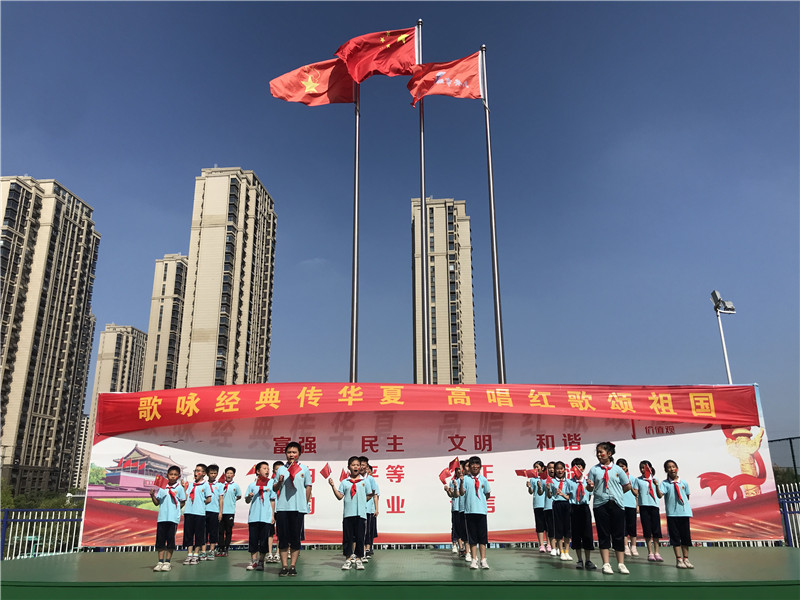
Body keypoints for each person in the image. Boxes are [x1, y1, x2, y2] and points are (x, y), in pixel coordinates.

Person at [585, 442, 632, 575]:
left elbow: (627, 485)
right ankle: (606, 564)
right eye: (598, 452)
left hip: (617, 504)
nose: (599, 454)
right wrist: (590, 486)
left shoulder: (618, 470)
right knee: (603, 534)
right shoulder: (594, 470)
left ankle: (621, 564)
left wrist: (618, 494)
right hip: (600, 505)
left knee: (618, 534)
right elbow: (589, 489)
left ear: (609, 454)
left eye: (601, 452)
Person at [273, 441, 313, 576]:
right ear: (285, 454)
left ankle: (293, 566)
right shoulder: (281, 469)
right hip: (283, 508)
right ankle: (284, 566)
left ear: (299, 454)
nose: (291, 454)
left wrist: (304, 503)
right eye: (289, 452)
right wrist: (279, 482)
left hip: (297, 509)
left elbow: (308, 486)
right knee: (283, 538)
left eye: (294, 452)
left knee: (295, 538)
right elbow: (274, 488)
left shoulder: (304, 469)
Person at [329, 456, 375, 570]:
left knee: (360, 537)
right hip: (348, 514)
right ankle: (348, 559)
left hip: (361, 514)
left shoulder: (364, 481)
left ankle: (359, 559)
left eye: (357, 465)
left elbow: (369, 494)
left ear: (360, 467)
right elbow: (340, 496)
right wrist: (333, 486)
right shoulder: (345, 482)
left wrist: (362, 501)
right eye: (353, 465)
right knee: (348, 538)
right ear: (349, 467)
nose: (356, 467)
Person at [150, 465, 186, 572]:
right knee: (160, 541)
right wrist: (152, 495)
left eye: (175, 475)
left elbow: (183, 501)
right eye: (171, 474)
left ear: (179, 476)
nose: (173, 476)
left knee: (170, 540)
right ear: (167, 475)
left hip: (172, 519)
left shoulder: (179, 488)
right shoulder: (162, 488)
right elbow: (157, 503)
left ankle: (167, 562)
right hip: (162, 518)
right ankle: (160, 562)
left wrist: (176, 510)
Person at [660, 460, 694, 569]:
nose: (671, 469)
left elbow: (686, 497)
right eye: (669, 467)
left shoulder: (684, 483)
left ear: (677, 468)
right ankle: (679, 559)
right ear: (666, 470)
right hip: (672, 515)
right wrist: (655, 485)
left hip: (684, 513)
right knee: (675, 537)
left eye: (673, 466)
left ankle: (686, 559)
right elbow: (660, 495)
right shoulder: (664, 484)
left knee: (685, 537)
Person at [459, 456, 491, 570]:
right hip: (469, 511)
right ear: (469, 466)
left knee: (482, 537)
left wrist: (480, 502)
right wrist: (461, 483)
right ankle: (474, 560)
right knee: (472, 538)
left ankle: (483, 560)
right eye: (472, 464)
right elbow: (461, 493)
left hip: (481, 512)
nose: (475, 466)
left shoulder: (484, 480)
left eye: (477, 464)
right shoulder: (466, 479)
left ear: (480, 466)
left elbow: (487, 494)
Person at [631, 460, 664, 562]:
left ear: (650, 468)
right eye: (641, 468)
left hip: (654, 506)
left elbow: (659, 495)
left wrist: (656, 485)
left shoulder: (655, 479)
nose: (643, 470)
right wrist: (630, 487)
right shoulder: (638, 480)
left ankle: (657, 552)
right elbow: (636, 493)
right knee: (647, 530)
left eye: (645, 467)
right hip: (644, 507)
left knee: (656, 530)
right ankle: (650, 552)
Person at [245, 461, 275, 571]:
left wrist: (272, 515)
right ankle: (254, 561)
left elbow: (272, 500)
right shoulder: (252, 485)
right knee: (253, 540)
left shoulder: (271, 483)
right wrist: (249, 496)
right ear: (257, 471)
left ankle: (261, 561)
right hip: (254, 517)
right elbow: (247, 500)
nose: (267, 470)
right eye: (264, 468)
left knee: (264, 540)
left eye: (268, 468)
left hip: (266, 517)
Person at [568, 458, 596, 570]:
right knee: (576, 534)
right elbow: (567, 495)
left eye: (579, 466)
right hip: (574, 508)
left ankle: (588, 560)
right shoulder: (569, 482)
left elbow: (589, 495)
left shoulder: (588, 481)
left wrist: (589, 486)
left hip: (584, 508)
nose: (577, 469)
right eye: (575, 467)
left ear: (583, 468)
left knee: (587, 534)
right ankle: (579, 560)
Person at [182, 464, 213, 565]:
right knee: (188, 534)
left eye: (198, 471)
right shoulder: (191, 484)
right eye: (195, 470)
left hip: (199, 513)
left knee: (199, 535)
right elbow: (185, 496)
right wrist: (183, 488)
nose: (196, 473)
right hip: (189, 512)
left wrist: (200, 504)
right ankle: (189, 555)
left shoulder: (206, 485)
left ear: (204, 473)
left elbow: (209, 499)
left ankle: (196, 555)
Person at [546, 460, 573, 561]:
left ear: (565, 470)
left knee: (567, 528)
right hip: (557, 505)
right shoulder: (552, 482)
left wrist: (563, 495)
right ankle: (561, 551)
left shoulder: (568, 482)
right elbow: (549, 496)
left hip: (567, 504)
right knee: (558, 528)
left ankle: (567, 551)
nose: (559, 471)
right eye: (557, 469)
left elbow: (570, 496)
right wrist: (548, 489)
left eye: (561, 469)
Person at [616, 458, 639, 556]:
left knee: (632, 527)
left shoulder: (633, 479)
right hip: (620, 505)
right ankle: (625, 547)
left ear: (626, 467)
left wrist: (637, 505)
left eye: (623, 466)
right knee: (623, 527)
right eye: (619, 466)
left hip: (631, 505)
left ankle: (633, 547)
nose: (621, 468)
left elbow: (636, 493)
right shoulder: (616, 478)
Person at [217, 466, 242, 557]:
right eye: (227, 473)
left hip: (230, 511)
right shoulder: (220, 485)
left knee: (228, 531)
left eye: (231, 473)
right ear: (225, 475)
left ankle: (226, 548)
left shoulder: (235, 486)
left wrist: (233, 500)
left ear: (233, 475)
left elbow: (239, 496)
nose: (229, 475)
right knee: (220, 531)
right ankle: (221, 548)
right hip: (220, 511)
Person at [446, 461, 467, 559]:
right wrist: (448, 490)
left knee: (465, 528)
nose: (459, 471)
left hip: (465, 508)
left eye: (460, 468)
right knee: (457, 527)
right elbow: (452, 495)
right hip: (456, 508)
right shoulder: (453, 481)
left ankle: (466, 549)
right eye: (457, 469)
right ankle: (460, 547)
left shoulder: (467, 480)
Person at [359, 457, 379, 560]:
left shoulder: (370, 479)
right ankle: (361, 550)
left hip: (368, 509)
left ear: (367, 466)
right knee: (360, 530)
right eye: (360, 464)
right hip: (358, 509)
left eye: (364, 465)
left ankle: (367, 549)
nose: (362, 467)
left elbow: (375, 495)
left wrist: (376, 509)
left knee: (368, 531)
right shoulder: (356, 478)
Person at [526, 460, 547, 553]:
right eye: (534, 467)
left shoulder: (546, 478)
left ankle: (549, 544)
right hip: (537, 504)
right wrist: (529, 487)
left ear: (542, 468)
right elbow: (531, 492)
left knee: (548, 525)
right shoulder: (532, 479)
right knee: (539, 525)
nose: (536, 468)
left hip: (547, 504)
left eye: (537, 467)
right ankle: (541, 545)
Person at [202, 464, 222, 560]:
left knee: (213, 531)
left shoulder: (220, 485)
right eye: (211, 473)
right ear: (207, 474)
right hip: (203, 511)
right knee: (203, 531)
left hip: (214, 511)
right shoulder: (204, 484)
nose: (213, 475)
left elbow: (221, 499)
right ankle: (203, 551)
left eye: (215, 473)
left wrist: (220, 512)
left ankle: (211, 551)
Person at [267, 460, 284, 563]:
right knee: (270, 533)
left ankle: (278, 553)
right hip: (271, 510)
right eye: (277, 469)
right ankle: (269, 553)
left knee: (280, 533)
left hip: (282, 509)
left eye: (281, 469)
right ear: (273, 471)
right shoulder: (269, 482)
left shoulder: (286, 482)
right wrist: (271, 513)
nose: (279, 471)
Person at [539, 461, 557, 555]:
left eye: (553, 468)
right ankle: (553, 548)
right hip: (548, 507)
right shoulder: (544, 480)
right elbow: (540, 493)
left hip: (558, 506)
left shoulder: (560, 480)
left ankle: (559, 547)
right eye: (549, 468)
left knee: (558, 528)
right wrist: (539, 487)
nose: (551, 469)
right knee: (550, 528)